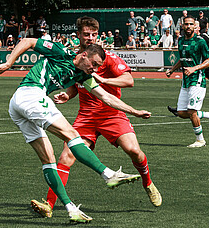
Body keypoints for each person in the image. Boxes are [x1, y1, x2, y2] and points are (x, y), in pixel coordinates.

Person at [0, 36, 151, 222]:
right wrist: (8, 63)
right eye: (93, 64)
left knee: (49, 160)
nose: (95, 69)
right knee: (73, 135)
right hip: (31, 94)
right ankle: (108, 174)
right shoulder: (61, 52)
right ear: (84, 55)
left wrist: (134, 111)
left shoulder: (82, 76)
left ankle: (70, 209)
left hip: (18, 105)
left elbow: (107, 97)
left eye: (98, 66)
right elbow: (28, 41)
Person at [30, 16, 162, 218]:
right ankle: (48, 204)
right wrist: (68, 94)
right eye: (86, 34)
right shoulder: (74, 57)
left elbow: (129, 80)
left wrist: (102, 78)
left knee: (134, 151)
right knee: (66, 157)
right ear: (79, 35)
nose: (90, 38)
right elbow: (75, 85)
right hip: (86, 117)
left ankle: (148, 183)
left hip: (112, 114)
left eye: (93, 35)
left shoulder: (106, 57)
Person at [165, 16, 209, 148]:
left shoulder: (200, 41)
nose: (188, 26)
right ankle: (208, 114)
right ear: (182, 26)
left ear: (195, 26)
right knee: (181, 113)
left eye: (191, 24)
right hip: (185, 81)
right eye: (186, 24)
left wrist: (194, 68)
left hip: (197, 80)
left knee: (192, 111)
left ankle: (200, 140)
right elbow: (182, 59)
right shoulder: (181, 40)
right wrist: (172, 70)